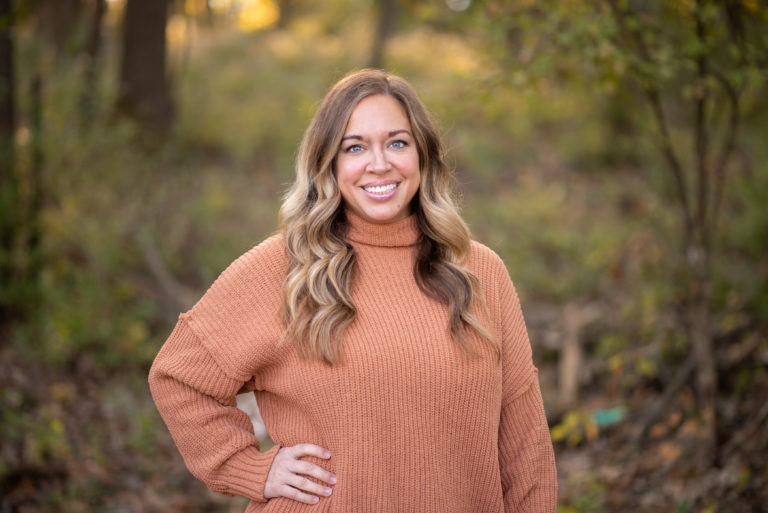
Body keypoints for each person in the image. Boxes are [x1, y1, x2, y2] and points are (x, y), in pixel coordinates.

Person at [149, 69, 557, 512]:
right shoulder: (285, 267)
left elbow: (524, 441)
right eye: (355, 147)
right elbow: (179, 376)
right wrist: (251, 468)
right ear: (329, 163)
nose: (378, 163)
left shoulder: (479, 271)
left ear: (422, 155)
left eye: (397, 143)